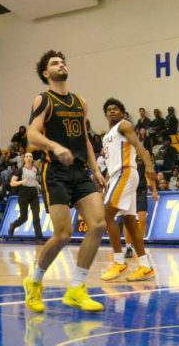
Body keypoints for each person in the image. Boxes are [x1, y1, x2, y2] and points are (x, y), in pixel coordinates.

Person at [23, 51, 107, 313]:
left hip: (80, 171)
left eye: (62, 62)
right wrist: (55, 147)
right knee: (62, 235)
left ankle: (77, 288)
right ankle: (34, 281)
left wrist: (96, 170)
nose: (61, 65)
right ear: (46, 74)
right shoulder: (44, 100)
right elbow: (32, 134)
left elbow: (84, 139)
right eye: (54, 63)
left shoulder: (80, 101)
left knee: (98, 224)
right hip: (55, 172)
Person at [98, 98, 157, 282]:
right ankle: (146, 266)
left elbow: (140, 146)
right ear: (106, 114)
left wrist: (148, 165)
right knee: (130, 221)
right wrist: (105, 180)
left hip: (126, 172)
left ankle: (118, 262)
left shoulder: (124, 125)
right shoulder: (107, 136)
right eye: (109, 109)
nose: (112, 111)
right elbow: (111, 163)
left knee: (106, 214)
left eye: (116, 109)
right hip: (116, 175)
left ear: (122, 113)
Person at [8, 152, 44, 243]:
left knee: (36, 216)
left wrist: (39, 187)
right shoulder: (20, 170)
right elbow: (12, 183)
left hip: (33, 193)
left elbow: (34, 180)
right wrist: (21, 181)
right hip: (23, 193)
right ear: (24, 159)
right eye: (27, 156)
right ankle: (13, 225)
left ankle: (39, 238)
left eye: (30, 156)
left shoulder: (35, 169)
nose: (29, 158)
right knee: (24, 217)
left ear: (32, 159)